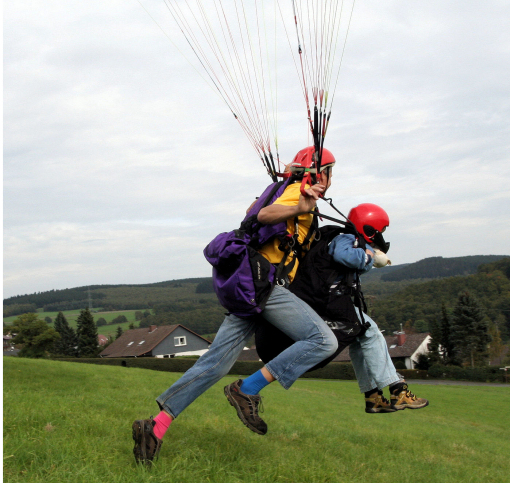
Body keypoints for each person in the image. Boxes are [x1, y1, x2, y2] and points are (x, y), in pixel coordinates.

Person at [132, 146, 339, 465]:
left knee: (215, 363)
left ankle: (155, 427)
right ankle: (247, 389)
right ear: (318, 172)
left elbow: (253, 212)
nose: (332, 178)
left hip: (249, 288)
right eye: (330, 170)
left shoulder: (280, 189)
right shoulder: (298, 192)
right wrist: (299, 203)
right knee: (323, 341)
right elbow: (263, 216)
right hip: (266, 285)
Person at [256, 203, 429, 414]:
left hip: (323, 301)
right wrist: (371, 257)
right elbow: (343, 256)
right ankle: (398, 390)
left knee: (361, 337)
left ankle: (373, 396)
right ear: (369, 228)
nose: (381, 236)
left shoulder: (339, 237)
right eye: (380, 231)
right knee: (372, 331)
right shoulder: (347, 238)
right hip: (327, 303)